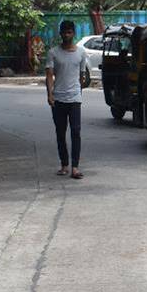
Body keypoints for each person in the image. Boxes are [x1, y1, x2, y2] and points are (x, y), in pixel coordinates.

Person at [45, 19, 91, 179]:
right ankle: (64, 164)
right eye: (64, 32)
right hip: (58, 99)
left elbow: (82, 75)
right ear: (60, 34)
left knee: (76, 132)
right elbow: (49, 75)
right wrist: (49, 94)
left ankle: (75, 167)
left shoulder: (81, 53)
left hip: (75, 98)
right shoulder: (53, 53)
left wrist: (81, 88)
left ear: (73, 33)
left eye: (69, 32)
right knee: (60, 133)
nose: (67, 35)